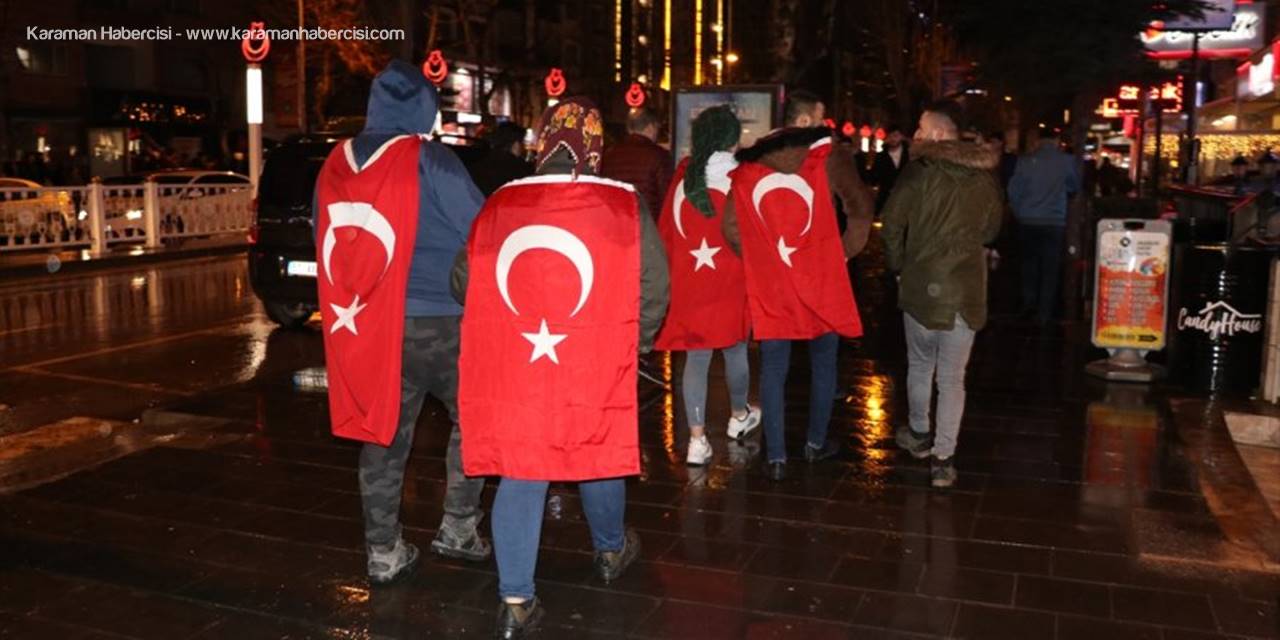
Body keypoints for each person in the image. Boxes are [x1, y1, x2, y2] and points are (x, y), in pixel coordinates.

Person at [452, 96, 669, 639]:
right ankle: (610, 550)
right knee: (596, 449)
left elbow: (462, 280)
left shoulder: (501, 202)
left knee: (522, 467)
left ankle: (516, 600)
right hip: (595, 356)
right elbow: (655, 286)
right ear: (595, 147)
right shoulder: (622, 205)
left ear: (543, 142)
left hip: (518, 361)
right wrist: (631, 343)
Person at [312, 60, 491, 586]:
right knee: (474, 420)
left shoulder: (335, 162)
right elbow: (483, 227)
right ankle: (458, 527)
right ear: (422, 108)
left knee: (383, 432)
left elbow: (325, 232)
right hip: (445, 323)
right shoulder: (429, 158)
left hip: (374, 324)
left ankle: (382, 550)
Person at [722, 89, 875, 481]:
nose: (826, 124)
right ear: (805, 120)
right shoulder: (827, 156)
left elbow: (731, 228)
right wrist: (842, 252)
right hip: (820, 276)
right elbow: (860, 206)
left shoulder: (749, 165)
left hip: (774, 280)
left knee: (774, 367)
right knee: (824, 361)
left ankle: (776, 456)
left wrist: (762, 257)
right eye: (822, 116)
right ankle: (814, 443)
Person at [881, 101, 1003, 488]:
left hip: (921, 284)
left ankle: (919, 433)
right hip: (965, 289)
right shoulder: (984, 177)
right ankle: (944, 460)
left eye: (920, 127)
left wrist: (898, 266)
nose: (915, 133)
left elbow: (891, 224)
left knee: (920, 365)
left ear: (937, 133)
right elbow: (991, 230)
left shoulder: (918, 172)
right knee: (952, 378)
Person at [655, 105, 759, 466]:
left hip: (690, 283)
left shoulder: (684, 176)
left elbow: (666, 232)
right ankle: (739, 416)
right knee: (735, 349)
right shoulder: (742, 177)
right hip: (732, 282)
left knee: (695, 359)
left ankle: (697, 441)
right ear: (731, 139)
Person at [1008, 128, 1080, 325]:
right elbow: (1074, 186)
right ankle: (1045, 311)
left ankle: (1028, 303)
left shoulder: (1025, 161)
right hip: (1054, 221)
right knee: (1050, 266)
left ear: (1039, 141)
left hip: (1028, 219)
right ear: (1056, 141)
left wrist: (1019, 211)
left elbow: (1014, 191)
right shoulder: (1066, 161)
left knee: (1029, 263)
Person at [601, 107, 675, 218]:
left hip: (617, 219)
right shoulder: (659, 155)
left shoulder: (609, 154)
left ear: (629, 129)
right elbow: (667, 197)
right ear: (651, 127)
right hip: (647, 222)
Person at [471, 121, 533, 196]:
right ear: (516, 145)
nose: (523, 148)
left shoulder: (479, 164)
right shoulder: (520, 169)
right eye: (522, 143)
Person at [869, 124, 909, 214]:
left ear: (901, 137)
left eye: (896, 136)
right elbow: (873, 177)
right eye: (890, 136)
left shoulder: (909, 154)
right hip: (886, 200)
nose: (893, 139)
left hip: (906, 199)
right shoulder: (881, 156)